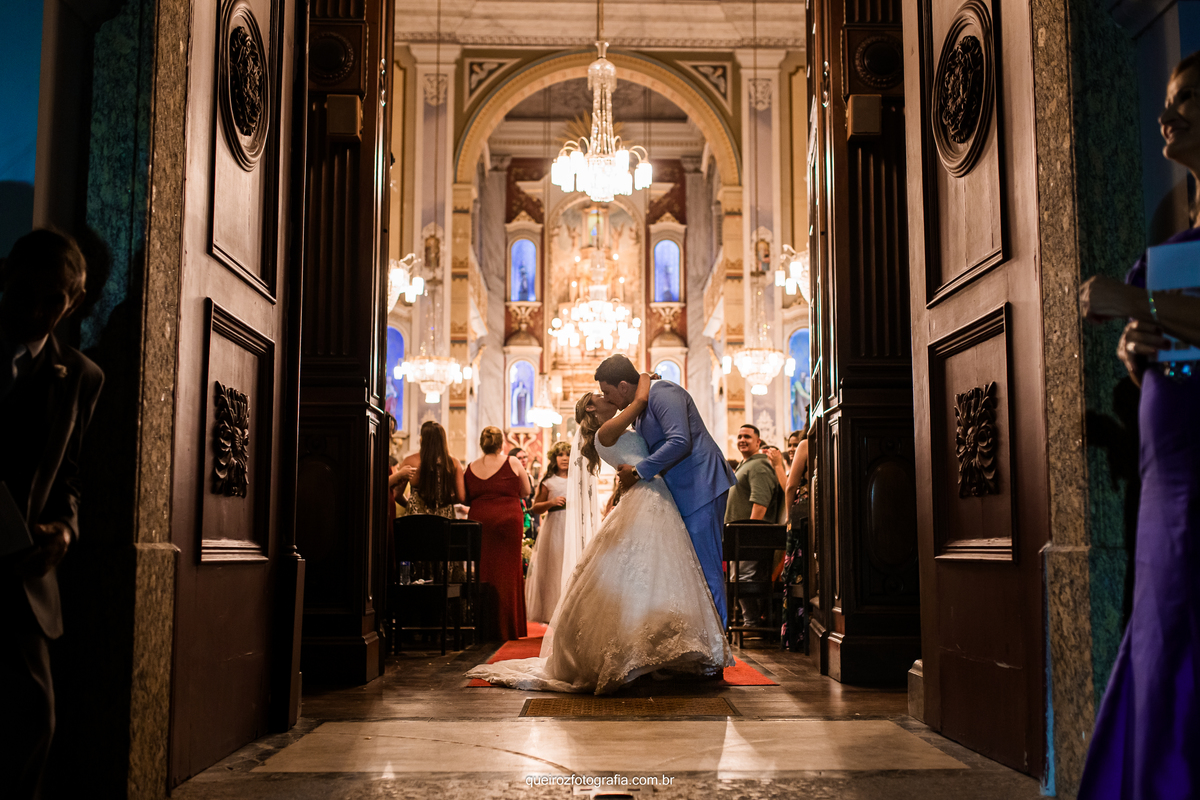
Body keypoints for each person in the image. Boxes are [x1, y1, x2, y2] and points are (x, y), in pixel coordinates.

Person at [1075, 52, 1200, 800]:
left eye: (1186, 98)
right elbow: (1175, 349)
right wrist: (1135, 351)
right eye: (1165, 100)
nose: (1167, 113)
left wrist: (1136, 307)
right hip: (1165, 477)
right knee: (1158, 633)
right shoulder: (1180, 233)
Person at [466, 373, 733, 693]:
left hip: (658, 495)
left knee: (664, 574)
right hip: (647, 496)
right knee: (647, 571)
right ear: (592, 412)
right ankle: (649, 647)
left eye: (606, 394)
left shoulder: (621, 425)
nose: (606, 399)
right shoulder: (606, 431)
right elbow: (640, 401)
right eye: (600, 398)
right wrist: (645, 379)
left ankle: (672, 645)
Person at [0, 229, 104, 800]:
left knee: (36, 717)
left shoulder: (81, 379)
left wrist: (64, 529)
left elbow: (69, 478)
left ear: (75, 304)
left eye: (53, 302)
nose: (37, 312)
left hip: (20, 574)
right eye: (24, 295)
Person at [601, 354, 737, 627]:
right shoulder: (639, 411)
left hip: (701, 486)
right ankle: (703, 639)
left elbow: (680, 441)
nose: (607, 400)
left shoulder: (663, 392)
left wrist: (638, 472)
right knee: (691, 569)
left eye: (608, 392)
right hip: (682, 492)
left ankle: (718, 645)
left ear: (624, 386)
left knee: (706, 567)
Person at [465, 426, 532, 641]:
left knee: (485, 571)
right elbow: (526, 491)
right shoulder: (511, 462)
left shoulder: (471, 466)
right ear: (502, 443)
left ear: (482, 443)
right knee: (509, 573)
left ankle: (485, 627)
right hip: (508, 521)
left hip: (480, 520)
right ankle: (509, 627)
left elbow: (465, 496)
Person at [726, 424, 785, 627]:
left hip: (750, 536)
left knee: (744, 579)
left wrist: (751, 533)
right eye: (740, 436)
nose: (742, 439)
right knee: (739, 578)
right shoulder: (747, 463)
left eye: (748, 437)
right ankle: (750, 620)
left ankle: (752, 622)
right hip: (741, 536)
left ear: (758, 442)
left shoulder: (759, 466)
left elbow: (760, 502)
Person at [524, 441, 570, 623]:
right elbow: (535, 507)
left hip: (571, 525)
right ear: (554, 459)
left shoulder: (578, 480)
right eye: (560, 455)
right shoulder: (548, 482)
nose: (564, 458)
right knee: (555, 566)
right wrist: (550, 503)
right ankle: (551, 611)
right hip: (555, 526)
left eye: (567, 454)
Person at [391, 420, 465, 519]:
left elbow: (397, 495)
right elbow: (461, 497)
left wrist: (411, 505)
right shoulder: (454, 463)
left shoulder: (410, 461)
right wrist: (444, 501)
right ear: (443, 440)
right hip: (443, 519)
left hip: (417, 518)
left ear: (422, 439)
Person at [781, 424, 810, 652]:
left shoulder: (807, 444)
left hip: (803, 514)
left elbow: (791, 485)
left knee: (796, 574)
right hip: (826, 512)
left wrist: (790, 517)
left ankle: (795, 633)